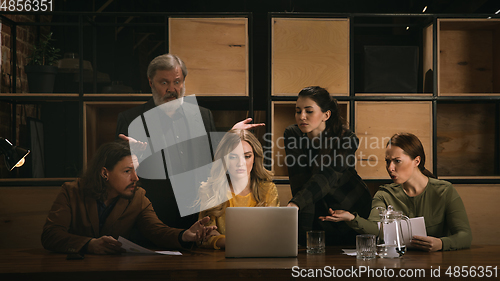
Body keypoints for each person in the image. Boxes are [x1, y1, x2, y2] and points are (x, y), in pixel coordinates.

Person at [115, 54, 263, 230]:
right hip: (152, 221)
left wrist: (231, 135)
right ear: (150, 82)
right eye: (164, 83)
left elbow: (213, 159)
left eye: (177, 82)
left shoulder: (202, 115)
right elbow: (118, 175)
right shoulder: (131, 119)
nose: (172, 89)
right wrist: (129, 157)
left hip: (198, 218)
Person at [41, 140, 216, 254]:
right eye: (127, 171)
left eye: (136, 170)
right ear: (105, 173)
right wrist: (89, 244)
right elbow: (51, 235)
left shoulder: (137, 197)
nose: (135, 178)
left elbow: (157, 231)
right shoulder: (72, 191)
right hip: (71, 271)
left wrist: (185, 235)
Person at [320, 132, 472, 252]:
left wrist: (441, 243)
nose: (390, 168)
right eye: (387, 161)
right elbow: (375, 228)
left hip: (436, 267)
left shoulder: (445, 191)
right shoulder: (384, 194)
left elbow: (465, 235)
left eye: (397, 161)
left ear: (416, 161)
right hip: (395, 265)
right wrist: (352, 218)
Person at [284, 86, 372, 246]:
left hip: (352, 208)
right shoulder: (293, 134)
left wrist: (295, 204)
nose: (302, 116)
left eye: (309, 111)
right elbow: (300, 182)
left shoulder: (346, 139)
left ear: (326, 114)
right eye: (298, 111)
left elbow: (326, 176)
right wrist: (301, 239)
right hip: (319, 212)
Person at [196, 129, 279, 249]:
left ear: (255, 158)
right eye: (233, 157)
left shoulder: (268, 189)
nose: (241, 163)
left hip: (260, 259)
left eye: (247, 156)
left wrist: (224, 239)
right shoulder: (210, 190)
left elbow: (273, 235)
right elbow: (204, 238)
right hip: (220, 262)